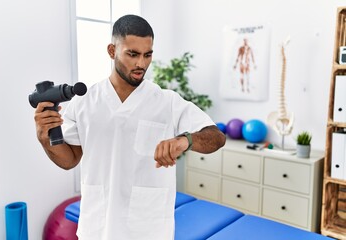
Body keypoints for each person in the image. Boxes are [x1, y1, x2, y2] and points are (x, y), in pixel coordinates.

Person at [34, 14, 226, 240]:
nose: (141, 64)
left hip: (148, 228)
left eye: (148, 55)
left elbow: (216, 137)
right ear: (112, 51)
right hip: (97, 226)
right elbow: (69, 160)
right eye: (132, 54)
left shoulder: (167, 101)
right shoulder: (84, 102)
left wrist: (185, 140)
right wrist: (45, 139)